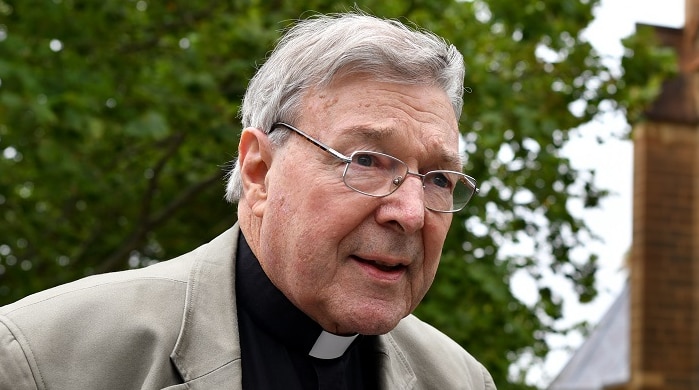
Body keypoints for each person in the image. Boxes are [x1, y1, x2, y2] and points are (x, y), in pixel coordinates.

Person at [0, 11, 495, 390]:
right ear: (259, 171)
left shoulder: (461, 380)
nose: (409, 213)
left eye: (436, 178)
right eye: (366, 161)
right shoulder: (44, 357)